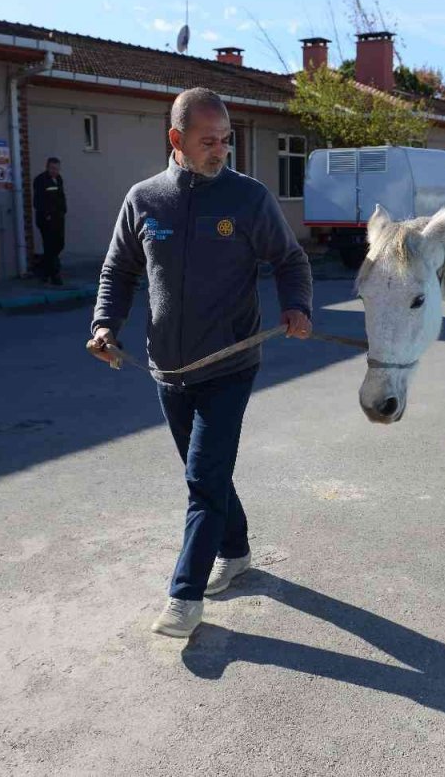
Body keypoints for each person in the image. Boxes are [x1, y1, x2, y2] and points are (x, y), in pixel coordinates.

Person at [87, 87, 313, 639]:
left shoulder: (249, 199)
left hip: (230, 364)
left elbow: (289, 258)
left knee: (202, 477)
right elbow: (119, 270)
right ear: (176, 140)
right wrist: (103, 325)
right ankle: (234, 552)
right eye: (208, 141)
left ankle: (183, 595)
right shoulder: (144, 200)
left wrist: (297, 305)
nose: (220, 151)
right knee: (208, 475)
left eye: (226, 140)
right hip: (167, 369)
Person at [32, 156, 67, 285]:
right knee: (50, 246)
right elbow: (38, 201)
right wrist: (46, 215)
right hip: (46, 219)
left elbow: (61, 197)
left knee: (59, 244)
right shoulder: (40, 180)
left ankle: (44, 271)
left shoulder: (58, 179)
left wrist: (63, 211)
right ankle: (55, 275)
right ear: (47, 167)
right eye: (52, 168)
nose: (55, 171)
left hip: (58, 218)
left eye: (57, 168)